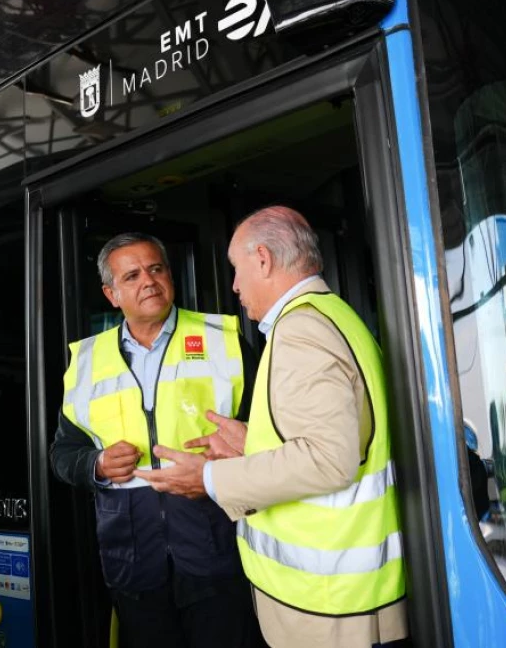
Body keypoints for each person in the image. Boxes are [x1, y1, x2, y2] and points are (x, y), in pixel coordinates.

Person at [135, 207, 409, 648]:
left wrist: (207, 477)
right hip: (347, 597)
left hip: (330, 605)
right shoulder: (334, 315)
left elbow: (327, 459)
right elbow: (341, 436)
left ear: (262, 259)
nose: (235, 286)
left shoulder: (300, 330)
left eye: (237, 270)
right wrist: (255, 441)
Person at [50, 232, 263, 648]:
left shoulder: (224, 341)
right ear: (112, 295)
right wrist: (95, 464)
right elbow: (62, 453)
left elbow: (273, 435)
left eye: (156, 268)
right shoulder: (87, 361)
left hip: (215, 548)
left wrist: (240, 451)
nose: (148, 281)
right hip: (132, 559)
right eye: (131, 276)